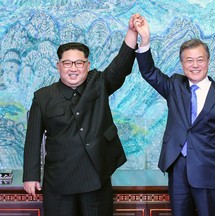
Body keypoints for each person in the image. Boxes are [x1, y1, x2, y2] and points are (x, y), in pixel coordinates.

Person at [23, 14, 142, 216]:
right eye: (67, 63)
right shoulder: (43, 97)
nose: (73, 69)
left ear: (87, 65)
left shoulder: (99, 84)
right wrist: (30, 176)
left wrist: (132, 32)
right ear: (58, 65)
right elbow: (32, 140)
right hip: (58, 181)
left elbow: (120, 66)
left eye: (79, 63)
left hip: (96, 178)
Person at [133, 17, 215, 216]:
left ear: (208, 61)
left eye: (200, 60)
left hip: (210, 172)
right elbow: (148, 72)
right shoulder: (174, 86)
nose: (195, 65)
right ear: (182, 64)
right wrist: (145, 39)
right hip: (178, 169)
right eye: (189, 60)